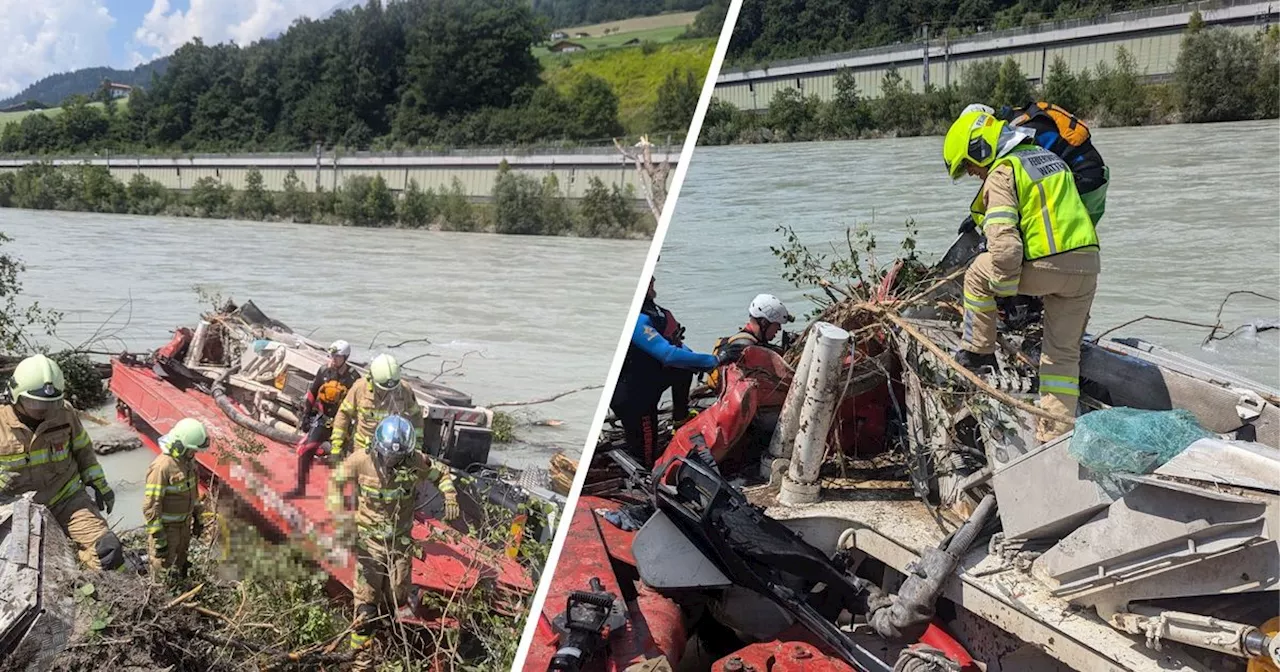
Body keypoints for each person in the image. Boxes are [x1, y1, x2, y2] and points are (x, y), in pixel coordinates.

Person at [942, 108, 1100, 442]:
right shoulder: (1048, 158)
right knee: (1061, 357)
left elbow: (1006, 250)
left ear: (979, 149)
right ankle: (1055, 435)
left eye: (969, 166)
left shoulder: (1003, 171)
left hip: (1048, 264)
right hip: (1087, 266)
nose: (972, 174)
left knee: (976, 274)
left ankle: (978, 352)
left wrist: (1005, 289)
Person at [328, 414, 459, 666]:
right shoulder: (360, 460)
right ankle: (361, 663)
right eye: (388, 456)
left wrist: (450, 496)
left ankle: (387, 642)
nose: (391, 462)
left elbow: (441, 475)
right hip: (370, 544)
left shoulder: (414, 461)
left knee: (396, 599)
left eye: (397, 459)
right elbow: (336, 483)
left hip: (399, 546)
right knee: (365, 609)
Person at [0, 354, 124, 569]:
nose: (44, 411)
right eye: (34, 403)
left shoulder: (64, 413)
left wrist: (100, 485)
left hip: (66, 499)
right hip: (14, 510)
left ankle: (103, 592)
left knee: (108, 551)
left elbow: (84, 450)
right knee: (20, 570)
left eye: (51, 403)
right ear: (14, 395)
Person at [611, 277, 733, 466]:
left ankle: (680, 418)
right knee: (646, 457)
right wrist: (714, 361)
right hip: (634, 398)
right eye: (648, 280)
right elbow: (668, 354)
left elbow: (678, 347)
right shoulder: (636, 319)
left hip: (647, 382)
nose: (654, 281)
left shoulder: (654, 313)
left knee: (684, 368)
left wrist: (699, 361)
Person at [962, 101, 1109, 225]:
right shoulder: (1020, 119)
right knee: (1077, 244)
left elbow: (1013, 177)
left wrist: (987, 215)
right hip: (1096, 178)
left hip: (1084, 182)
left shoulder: (1022, 130)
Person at [286, 340, 358, 499]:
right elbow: (312, 393)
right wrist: (306, 415)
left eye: (337, 357)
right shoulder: (324, 371)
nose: (333, 359)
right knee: (306, 451)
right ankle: (300, 488)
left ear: (345, 358)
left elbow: (359, 402)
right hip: (322, 419)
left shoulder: (353, 378)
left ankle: (342, 495)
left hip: (342, 424)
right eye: (332, 355)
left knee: (340, 459)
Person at [143, 418, 208, 579]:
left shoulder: (188, 463)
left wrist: (198, 519)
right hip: (167, 530)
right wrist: (159, 540)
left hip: (184, 527)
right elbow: (151, 507)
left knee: (181, 568)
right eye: (192, 450)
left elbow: (193, 494)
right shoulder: (162, 467)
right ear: (180, 445)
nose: (194, 454)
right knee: (163, 573)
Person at [329, 353, 424, 462]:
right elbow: (343, 414)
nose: (387, 392)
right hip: (363, 449)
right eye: (382, 388)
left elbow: (416, 416)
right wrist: (336, 446)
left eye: (391, 389)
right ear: (372, 379)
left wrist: (417, 447)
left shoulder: (404, 390)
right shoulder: (360, 388)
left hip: (393, 452)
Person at [708, 294, 796, 389]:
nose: (779, 328)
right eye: (777, 324)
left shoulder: (746, 340)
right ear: (764, 323)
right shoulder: (744, 346)